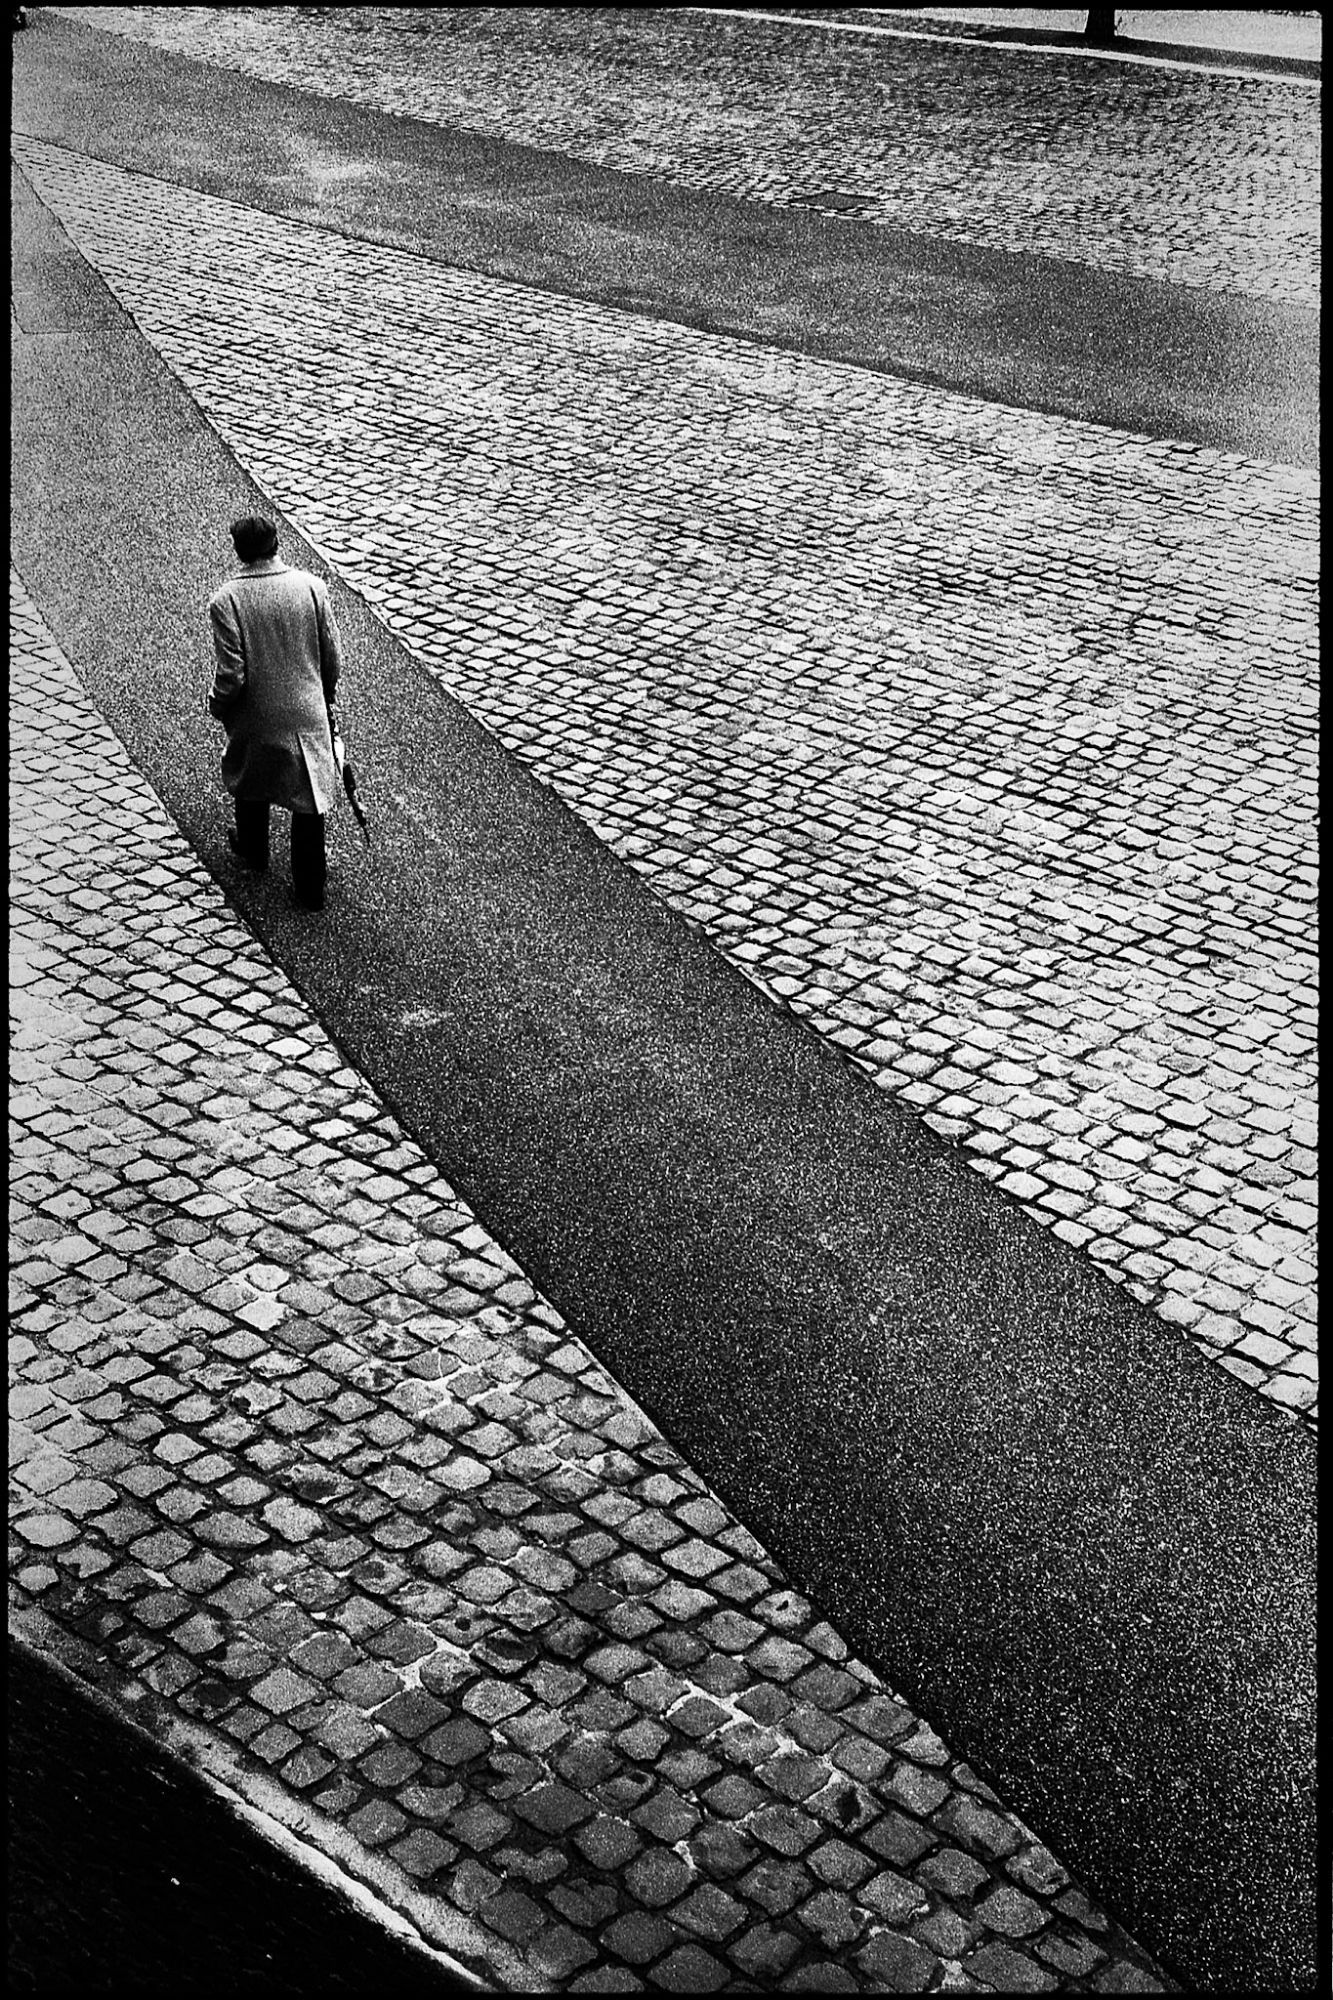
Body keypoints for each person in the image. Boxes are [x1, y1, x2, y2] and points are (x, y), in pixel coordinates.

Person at [207, 516, 344, 911]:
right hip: (307, 710)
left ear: (239, 550)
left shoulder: (226, 600)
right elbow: (332, 656)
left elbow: (231, 674)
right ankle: (309, 885)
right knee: (309, 799)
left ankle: (253, 848)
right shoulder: (311, 587)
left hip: (258, 713)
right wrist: (325, 695)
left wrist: (218, 704)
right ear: (276, 543)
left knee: (253, 774)